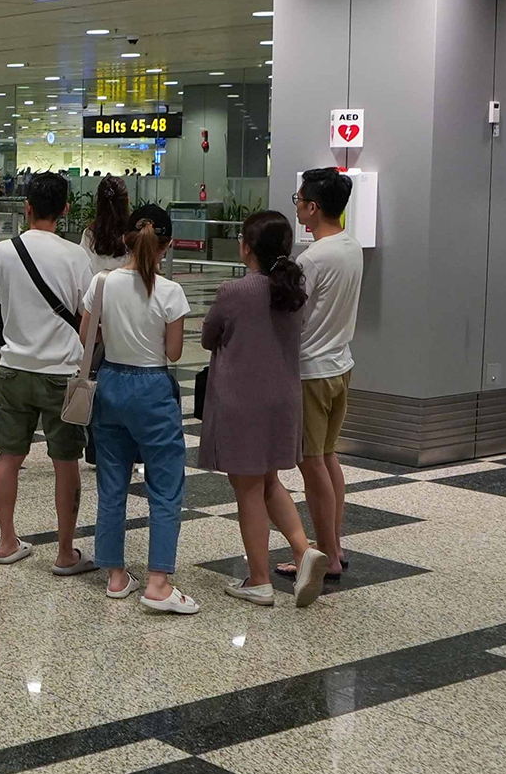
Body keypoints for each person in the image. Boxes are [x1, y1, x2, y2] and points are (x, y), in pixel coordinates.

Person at [204, 210, 321, 606]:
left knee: (248, 489)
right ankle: (304, 551)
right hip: (284, 399)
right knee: (269, 481)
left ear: (247, 247)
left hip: (243, 401)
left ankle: (258, 579)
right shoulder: (292, 288)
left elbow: (207, 337)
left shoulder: (234, 291)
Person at [0, 173, 92, 574]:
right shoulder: (77, 257)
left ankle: (7, 541)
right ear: (65, 209)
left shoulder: (2, 252)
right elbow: (86, 314)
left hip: (13, 368)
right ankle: (64, 553)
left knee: (9, 456)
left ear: (25, 205)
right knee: (65, 461)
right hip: (62, 371)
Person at [80, 209, 194, 612]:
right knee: (165, 486)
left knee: (112, 483)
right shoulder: (170, 292)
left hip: (111, 383)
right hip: (152, 389)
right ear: (167, 244)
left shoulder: (102, 283)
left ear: (127, 239)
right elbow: (174, 352)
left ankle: (115, 575)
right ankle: (159, 583)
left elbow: (86, 337)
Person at [283, 167, 366, 584]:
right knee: (328, 457)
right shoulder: (352, 248)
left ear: (313, 208)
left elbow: (293, 316)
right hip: (340, 365)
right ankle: (335, 544)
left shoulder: (312, 258)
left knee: (311, 462)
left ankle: (327, 556)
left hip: (310, 371)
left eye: (299, 200)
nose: (296, 205)